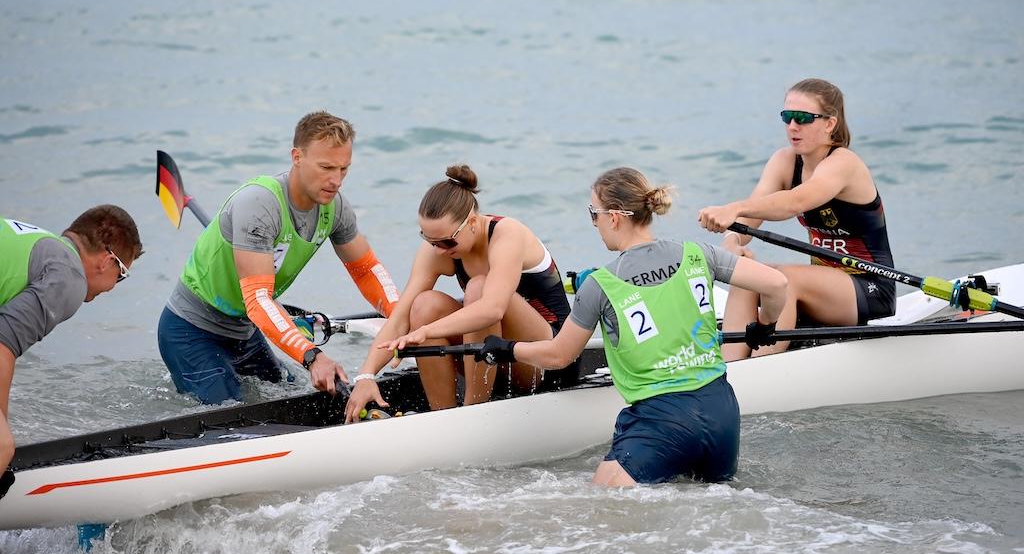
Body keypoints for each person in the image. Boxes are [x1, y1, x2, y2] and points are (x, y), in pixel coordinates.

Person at [468, 167, 787, 486]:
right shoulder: (699, 254)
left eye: (594, 214)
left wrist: (507, 349)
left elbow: (559, 355)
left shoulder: (600, 285)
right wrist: (765, 325)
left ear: (615, 218)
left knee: (600, 502)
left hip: (663, 420)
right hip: (722, 414)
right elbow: (776, 284)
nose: (594, 223)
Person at [157, 111, 400, 404]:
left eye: (343, 169)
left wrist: (403, 319)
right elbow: (258, 299)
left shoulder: (335, 208)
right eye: (326, 167)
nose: (336, 180)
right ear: (297, 157)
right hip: (191, 331)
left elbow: (366, 270)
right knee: (232, 413)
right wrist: (312, 356)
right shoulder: (259, 204)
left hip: (244, 331)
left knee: (290, 396)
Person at [343, 165, 570, 422]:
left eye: (446, 242)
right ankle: (444, 417)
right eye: (430, 241)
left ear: (472, 222)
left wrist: (426, 331)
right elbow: (399, 320)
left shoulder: (508, 235)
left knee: (479, 289)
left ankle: (473, 410)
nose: (439, 250)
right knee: (423, 305)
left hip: (546, 358)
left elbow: (492, 309)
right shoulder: (440, 248)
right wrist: (366, 375)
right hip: (492, 356)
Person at [697, 78, 896, 361]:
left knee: (785, 279)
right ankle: (731, 365)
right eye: (787, 117)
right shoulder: (784, 161)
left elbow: (795, 202)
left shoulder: (844, 163)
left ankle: (763, 367)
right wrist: (732, 241)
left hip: (869, 286)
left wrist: (734, 207)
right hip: (824, 287)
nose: (792, 126)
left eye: (802, 118)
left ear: (830, 123)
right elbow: (750, 219)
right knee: (748, 274)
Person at [1, 206, 142, 497]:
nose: (114, 287)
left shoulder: (39, 244)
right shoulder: (69, 278)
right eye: (122, 275)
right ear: (107, 261)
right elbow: (2, 346)